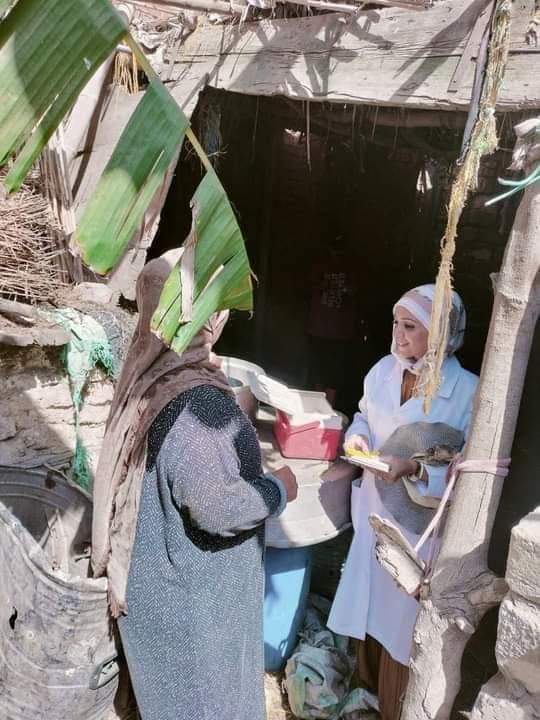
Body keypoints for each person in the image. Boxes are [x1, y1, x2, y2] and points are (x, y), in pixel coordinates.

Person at [91, 249, 297, 720]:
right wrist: (279, 489)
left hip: (160, 597)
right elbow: (215, 508)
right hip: (194, 616)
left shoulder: (149, 378)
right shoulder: (198, 402)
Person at [327, 284, 478, 720]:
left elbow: (466, 467)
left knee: (401, 624)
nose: (399, 334)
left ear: (441, 333)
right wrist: (357, 437)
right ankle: (363, 694)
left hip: (417, 529)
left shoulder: (468, 392)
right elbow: (364, 416)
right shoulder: (382, 372)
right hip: (374, 510)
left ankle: (395, 707)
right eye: (396, 323)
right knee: (367, 607)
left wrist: (412, 467)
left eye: (411, 326)